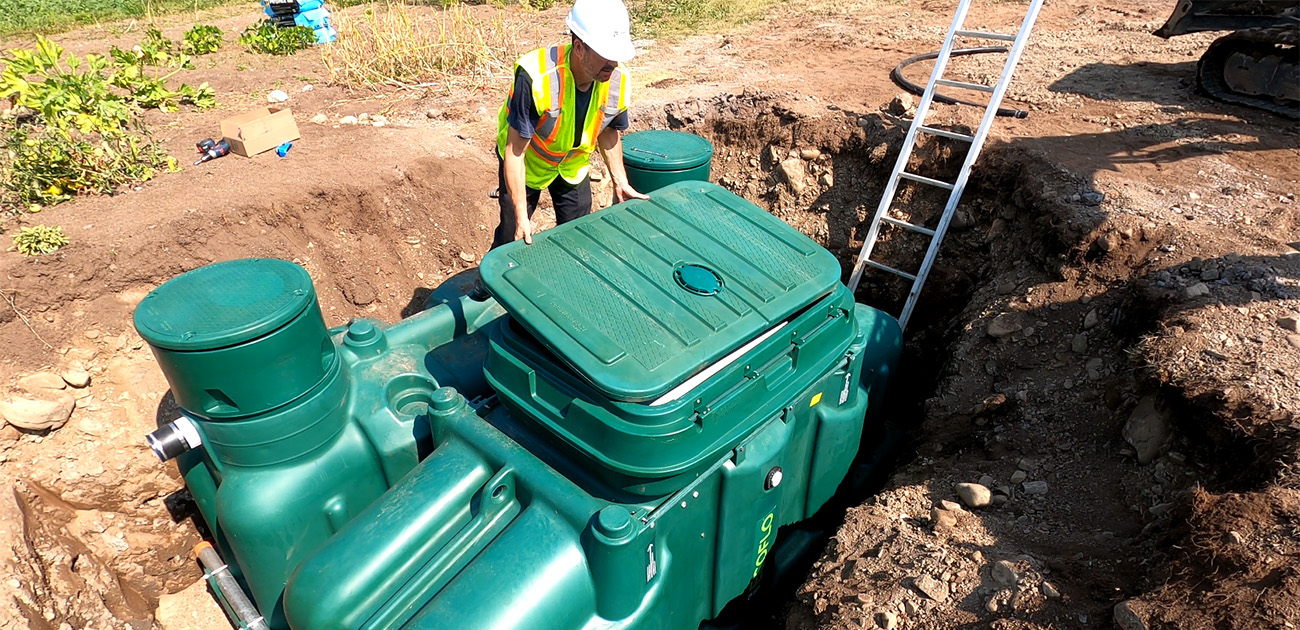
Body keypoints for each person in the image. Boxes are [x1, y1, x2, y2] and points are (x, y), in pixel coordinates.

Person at [488, 0, 649, 251]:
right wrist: (521, 213)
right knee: (512, 237)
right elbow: (515, 151)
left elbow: (608, 130)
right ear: (579, 47)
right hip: (527, 164)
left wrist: (620, 180)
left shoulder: (617, 79)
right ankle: (487, 286)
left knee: (579, 236)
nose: (614, 64)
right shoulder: (535, 76)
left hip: (572, 165)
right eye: (607, 55)